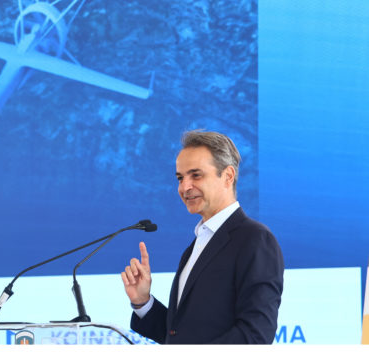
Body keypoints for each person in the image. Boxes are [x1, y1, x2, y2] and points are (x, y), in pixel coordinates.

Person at [121, 130, 284, 344]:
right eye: (180, 178)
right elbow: (179, 335)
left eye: (196, 175)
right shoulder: (196, 245)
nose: (184, 187)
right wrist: (143, 302)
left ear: (228, 176)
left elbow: (255, 335)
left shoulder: (255, 239)